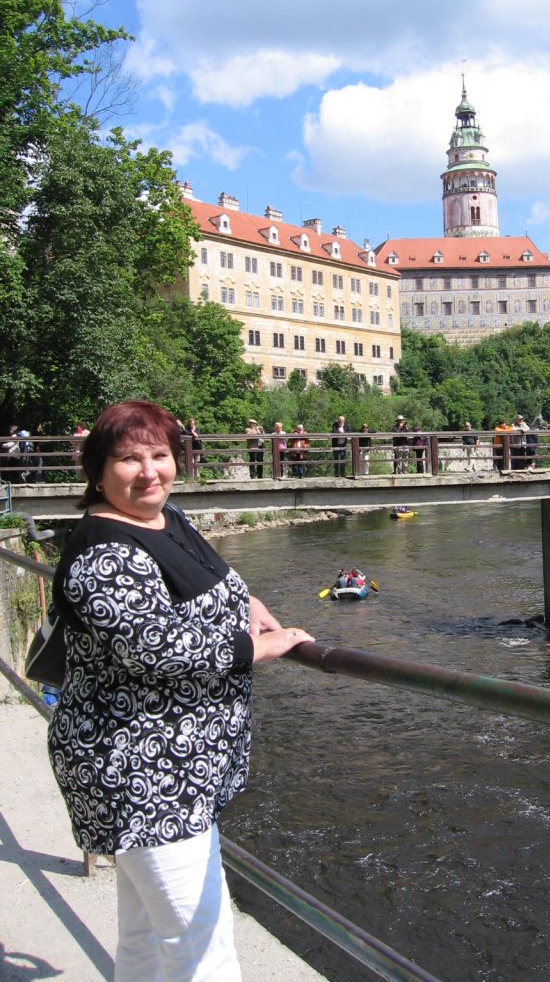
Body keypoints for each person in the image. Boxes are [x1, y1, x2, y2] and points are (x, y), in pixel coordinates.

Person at [47, 400, 314, 981]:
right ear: (97, 469)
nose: (149, 471)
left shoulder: (165, 518)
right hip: (140, 772)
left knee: (145, 936)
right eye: (128, 459)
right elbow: (155, 649)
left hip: (176, 766)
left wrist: (249, 605)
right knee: (203, 944)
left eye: (159, 455)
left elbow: (216, 578)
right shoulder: (103, 552)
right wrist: (257, 648)